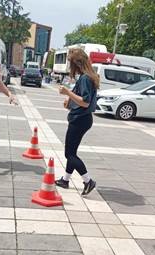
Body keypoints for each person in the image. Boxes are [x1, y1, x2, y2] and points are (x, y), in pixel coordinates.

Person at [55, 49, 99, 195]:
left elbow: (85, 102)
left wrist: (67, 92)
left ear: (76, 63)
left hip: (80, 120)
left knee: (69, 154)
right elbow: (81, 99)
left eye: (70, 63)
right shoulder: (87, 77)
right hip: (83, 119)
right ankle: (66, 179)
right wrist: (69, 100)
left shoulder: (85, 78)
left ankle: (88, 181)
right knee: (72, 152)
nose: (69, 67)